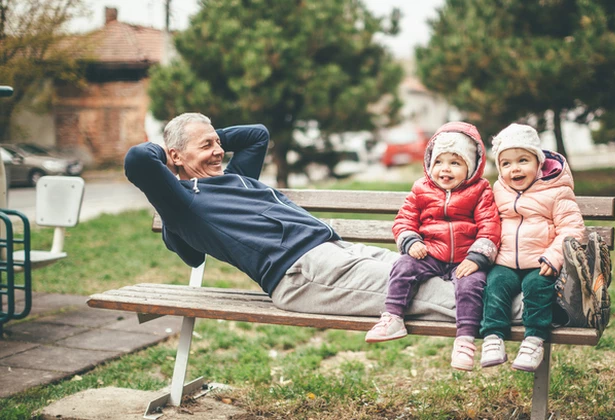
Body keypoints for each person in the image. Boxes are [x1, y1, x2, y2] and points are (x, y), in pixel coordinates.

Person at [124, 112, 457, 321]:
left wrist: (205, 136)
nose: (218, 151)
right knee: (429, 291)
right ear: (175, 156)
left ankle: (501, 290)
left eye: (218, 142)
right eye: (206, 145)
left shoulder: (234, 176)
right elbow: (139, 159)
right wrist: (171, 152)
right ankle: (506, 308)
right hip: (302, 271)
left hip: (338, 251)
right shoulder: (183, 202)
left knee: (432, 267)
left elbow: (257, 134)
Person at [364, 122, 500, 371]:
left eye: (455, 163)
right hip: (430, 251)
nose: (445, 169)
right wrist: (411, 241)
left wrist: (477, 258)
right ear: (429, 163)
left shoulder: (481, 191)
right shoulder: (420, 189)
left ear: (471, 167)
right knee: (403, 266)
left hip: (465, 257)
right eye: (439, 162)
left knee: (472, 285)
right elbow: (404, 220)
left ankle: (465, 339)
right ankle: (393, 317)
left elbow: (490, 227)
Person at [480, 123, 585, 372]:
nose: (514, 168)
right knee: (495, 285)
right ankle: (493, 337)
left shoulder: (556, 191)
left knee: (536, 287)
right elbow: (487, 221)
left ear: (539, 162)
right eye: (506, 163)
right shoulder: (498, 191)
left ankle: (535, 339)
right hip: (505, 261)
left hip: (541, 261)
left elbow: (572, 229)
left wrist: (554, 256)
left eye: (523, 160)